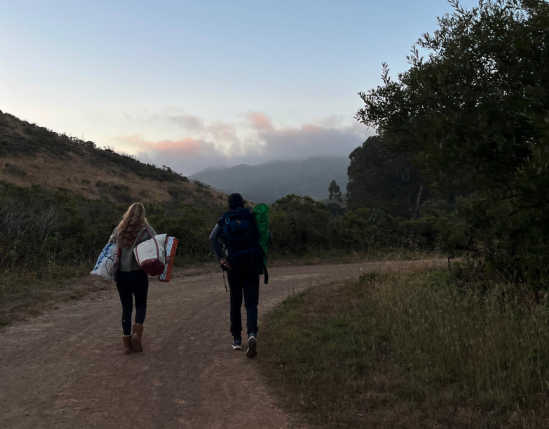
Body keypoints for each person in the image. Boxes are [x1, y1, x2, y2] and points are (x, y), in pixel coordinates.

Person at [209, 193, 272, 358]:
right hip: (251, 263)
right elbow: (269, 237)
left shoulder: (224, 219)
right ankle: (252, 334)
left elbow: (212, 238)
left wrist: (222, 259)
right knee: (251, 302)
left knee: (235, 303)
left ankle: (236, 340)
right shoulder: (251, 217)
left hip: (233, 265)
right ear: (242, 203)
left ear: (229, 205)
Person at [109, 202, 157, 355]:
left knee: (126, 307)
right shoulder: (147, 232)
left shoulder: (118, 230)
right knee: (141, 305)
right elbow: (158, 250)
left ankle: (126, 345)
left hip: (122, 275)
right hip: (139, 274)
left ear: (128, 213)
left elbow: (109, 248)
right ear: (142, 215)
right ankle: (137, 334)